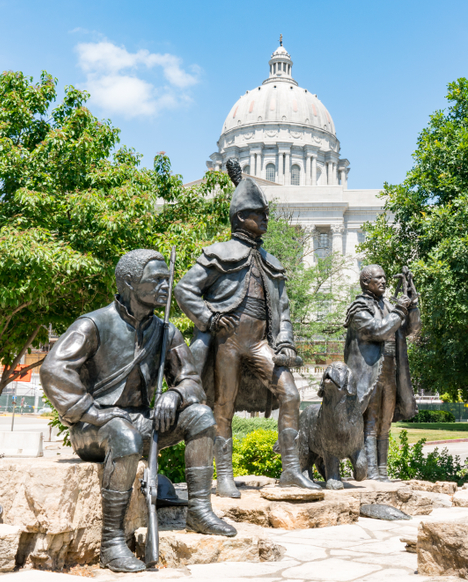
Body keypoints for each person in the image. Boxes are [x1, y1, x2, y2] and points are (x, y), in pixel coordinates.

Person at [42, 249, 235, 574]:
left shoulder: (165, 331)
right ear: (130, 282)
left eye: (166, 279)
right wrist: (92, 412)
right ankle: (111, 542)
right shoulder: (93, 324)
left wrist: (175, 395)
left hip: (141, 423)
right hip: (95, 428)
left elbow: (191, 381)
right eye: (156, 280)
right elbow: (54, 369)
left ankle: (199, 509)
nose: (165, 286)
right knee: (123, 433)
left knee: (201, 417)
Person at [175, 159, 321, 498]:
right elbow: (185, 290)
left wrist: (286, 344)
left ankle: (290, 470)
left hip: (260, 344)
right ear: (241, 217)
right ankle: (223, 476)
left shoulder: (271, 262)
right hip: (226, 342)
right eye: (260, 213)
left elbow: (282, 309)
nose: (266, 218)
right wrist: (209, 319)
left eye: (266, 213)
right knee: (222, 406)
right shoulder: (217, 254)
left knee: (291, 395)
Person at [343, 265, 420, 481]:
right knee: (370, 422)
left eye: (385, 277)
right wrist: (400, 310)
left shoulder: (388, 305)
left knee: (385, 422)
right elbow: (378, 330)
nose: (384, 281)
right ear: (366, 282)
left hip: (391, 370)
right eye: (379, 278)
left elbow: (411, 329)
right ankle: (371, 472)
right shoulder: (358, 308)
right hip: (370, 372)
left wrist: (412, 305)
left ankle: (383, 471)